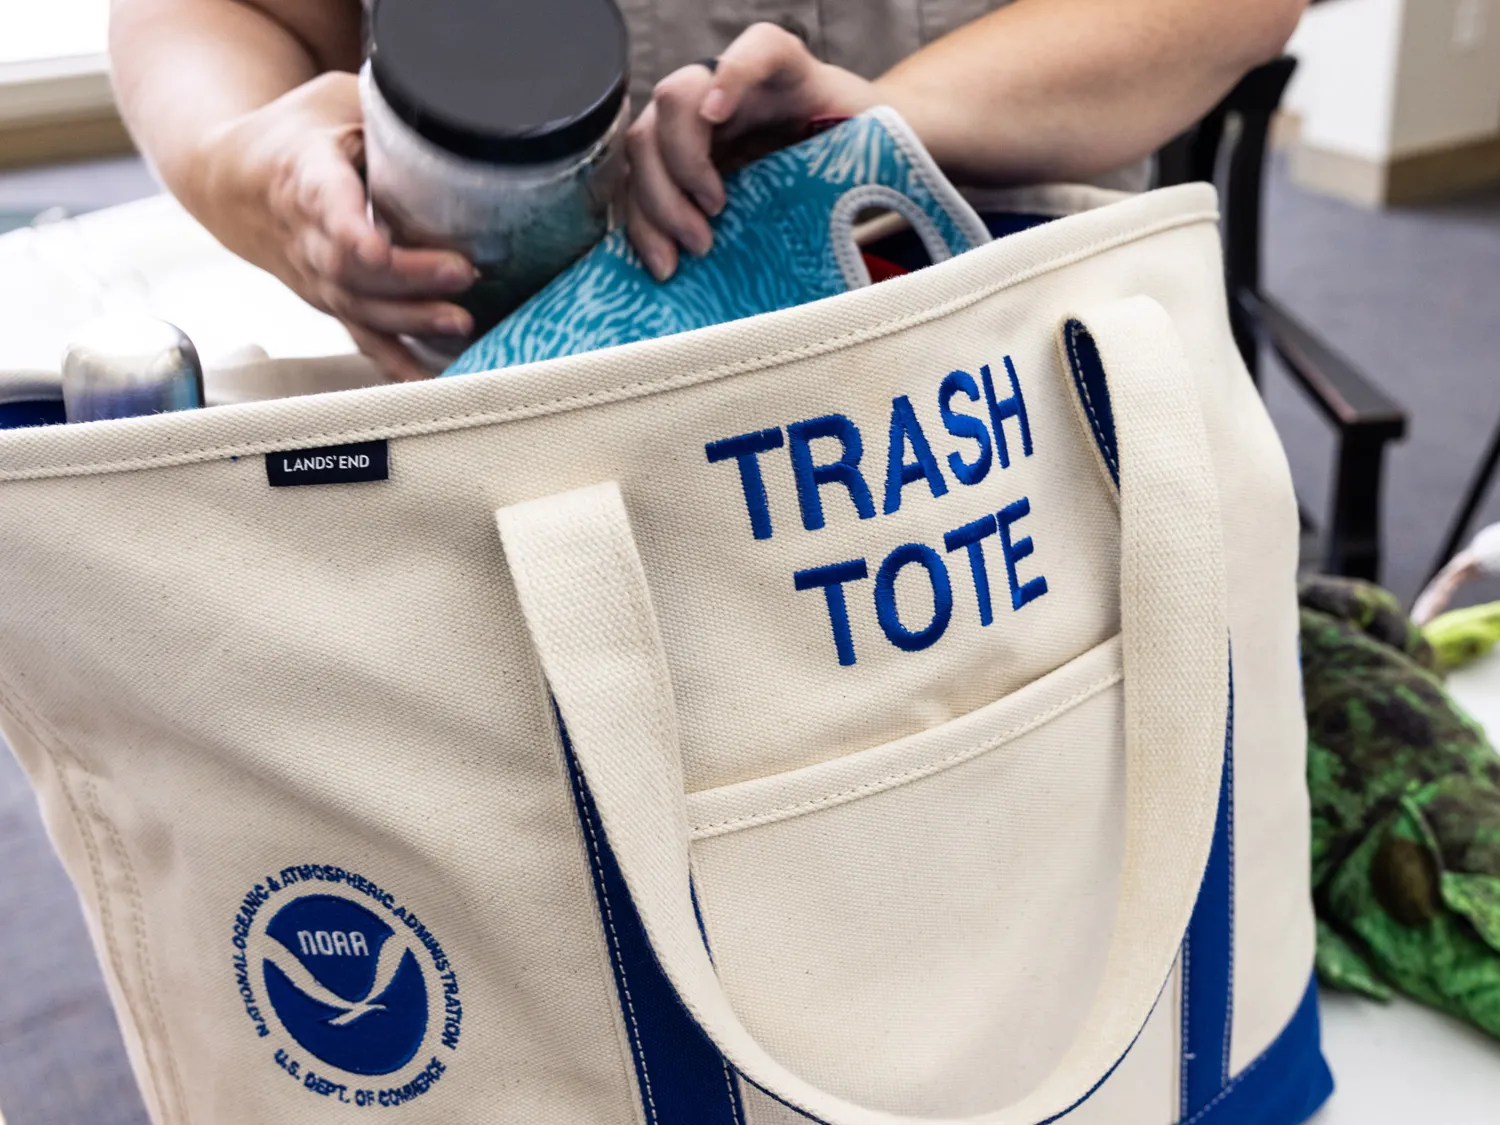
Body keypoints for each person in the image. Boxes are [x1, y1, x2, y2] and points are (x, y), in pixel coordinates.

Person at [109, 0, 1307, 381]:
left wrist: (871, 134)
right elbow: (212, 16)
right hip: (547, 461)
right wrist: (245, 160)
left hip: (1010, 408)